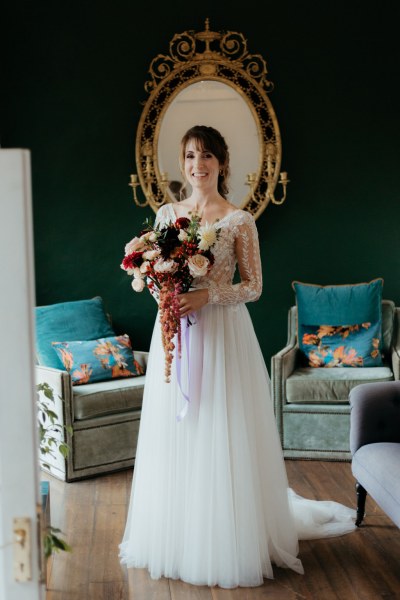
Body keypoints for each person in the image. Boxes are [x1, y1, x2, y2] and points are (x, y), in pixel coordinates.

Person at [119, 125, 356, 588]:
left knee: (221, 431)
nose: (198, 164)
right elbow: (153, 276)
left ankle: (227, 538)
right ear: (182, 162)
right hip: (176, 338)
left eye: (207, 156)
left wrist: (206, 297)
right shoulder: (167, 214)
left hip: (224, 336)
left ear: (222, 163)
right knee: (179, 432)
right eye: (190, 156)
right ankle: (180, 534)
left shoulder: (239, 220)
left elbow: (254, 286)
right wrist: (165, 295)